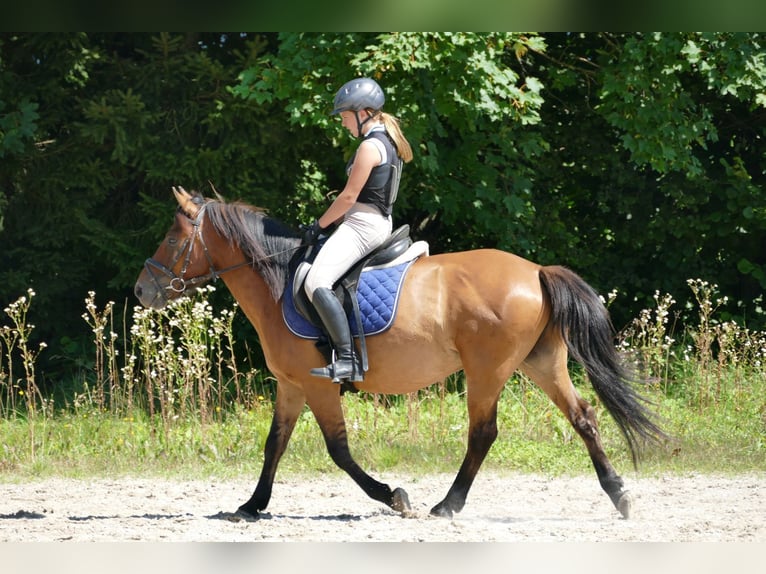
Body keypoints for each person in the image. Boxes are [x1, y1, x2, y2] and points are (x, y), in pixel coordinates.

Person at [302, 77, 413, 384]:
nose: (342, 123)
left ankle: (348, 360)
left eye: (344, 116)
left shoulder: (369, 146)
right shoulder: (386, 142)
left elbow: (349, 197)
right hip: (371, 222)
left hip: (363, 226)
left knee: (316, 281)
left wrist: (318, 225)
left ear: (363, 112)